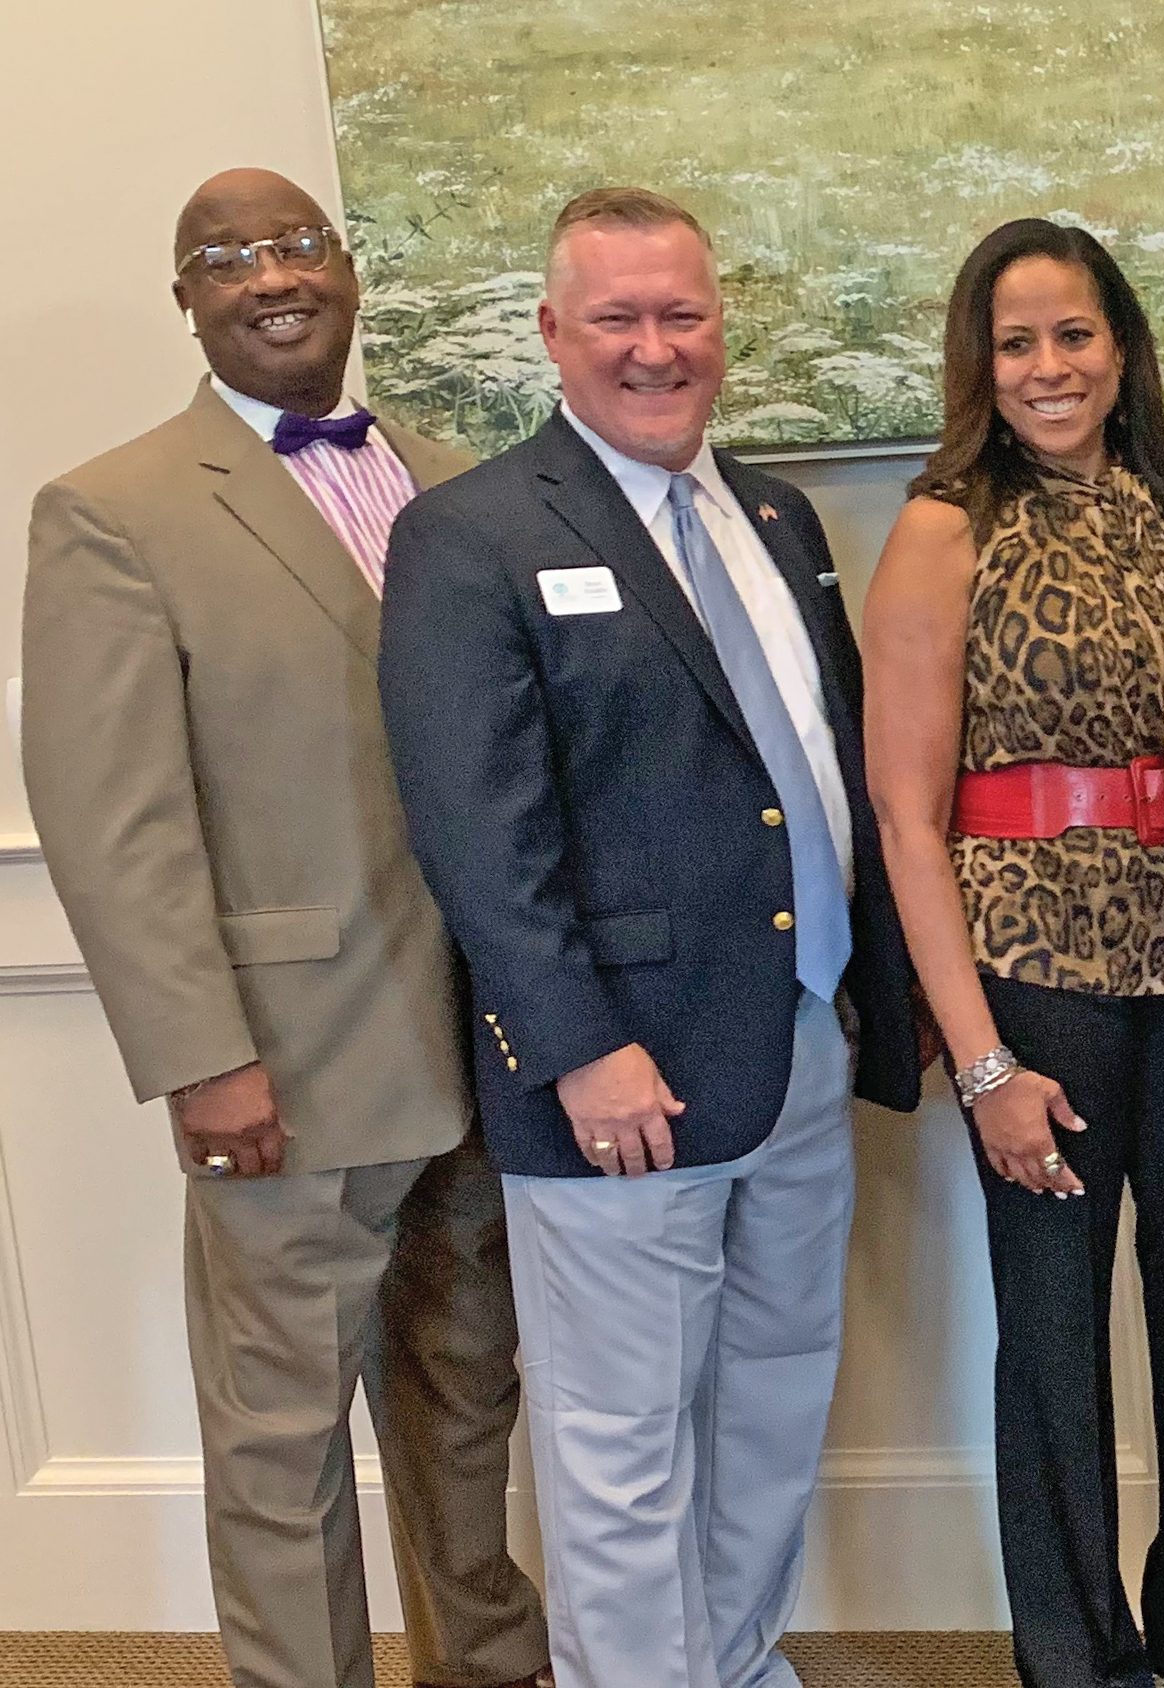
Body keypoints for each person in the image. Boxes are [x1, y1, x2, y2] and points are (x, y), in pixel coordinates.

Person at [378, 186, 924, 1688]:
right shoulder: (470, 537)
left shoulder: (777, 517)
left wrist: (873, 1006)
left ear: (720, 326)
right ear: (552, 333)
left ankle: (734, 1666)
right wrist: (579, 1050)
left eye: (681, 314)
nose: (654, 347)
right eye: (616, 317)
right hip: (619, 1083)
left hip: (800, 1046)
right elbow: (479, 835)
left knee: (771, 1403)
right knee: (619, 1445)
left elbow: (816, 768)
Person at [19, 167, 549, 1688]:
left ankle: (488, 1664)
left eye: (297, 244)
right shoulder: (112, 512)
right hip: (287, 1064)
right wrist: (201, 1055)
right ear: (185, 298)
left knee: (469, 1396)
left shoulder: (462, 482)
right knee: (281, 1435)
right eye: (226, 256)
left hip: (488, 1045)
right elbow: (111, 816)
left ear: (349, 270)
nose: (270, 276)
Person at [858, 218, 1164, 1688]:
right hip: (1032, 984)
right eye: (1016, 342)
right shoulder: (942, 530)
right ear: (981, 365)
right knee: (1054, 1338)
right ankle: (1079, 1658)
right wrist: (981, 1063)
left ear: (1122, 347)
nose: (1049, 367)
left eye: (1073, 334)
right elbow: (905, 819)